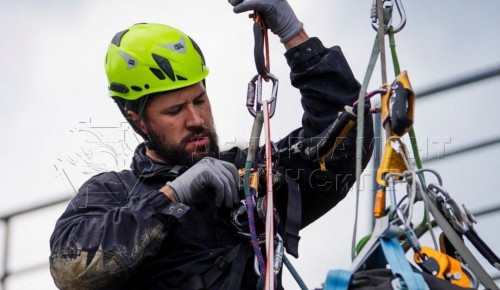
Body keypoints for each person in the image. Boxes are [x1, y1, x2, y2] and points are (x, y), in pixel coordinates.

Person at [49, 0, 374, 289]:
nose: (196, 119)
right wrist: (174, 196)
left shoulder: (246, 175)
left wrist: (293, 33)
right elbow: (72, 268)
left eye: (199, 100)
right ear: (138, 120)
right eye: (175, 110)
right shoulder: (112, 192)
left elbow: (342, 142)